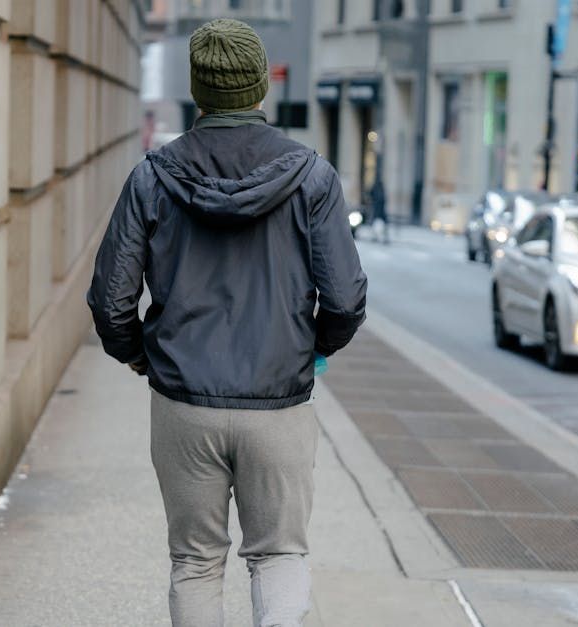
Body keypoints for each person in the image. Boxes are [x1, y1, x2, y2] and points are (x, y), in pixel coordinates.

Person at [87, 18, 367, 627]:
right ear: (260, 86)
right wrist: (308, 351)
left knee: (194, 561)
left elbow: (111, 301)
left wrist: (141, 356)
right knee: (280, 555)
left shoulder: (153, 177)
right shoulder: (311, 176)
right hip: (279, 403)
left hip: (185, 402)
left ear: (198, 89)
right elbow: (344, 301)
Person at [368, 177, 389, 244]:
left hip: (378, 211)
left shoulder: (378, 190)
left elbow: (371, 195)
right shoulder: (381, 190)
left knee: (377, 224)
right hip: (380, 211)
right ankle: (380, 237)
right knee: (381, 224)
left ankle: (378, 237)